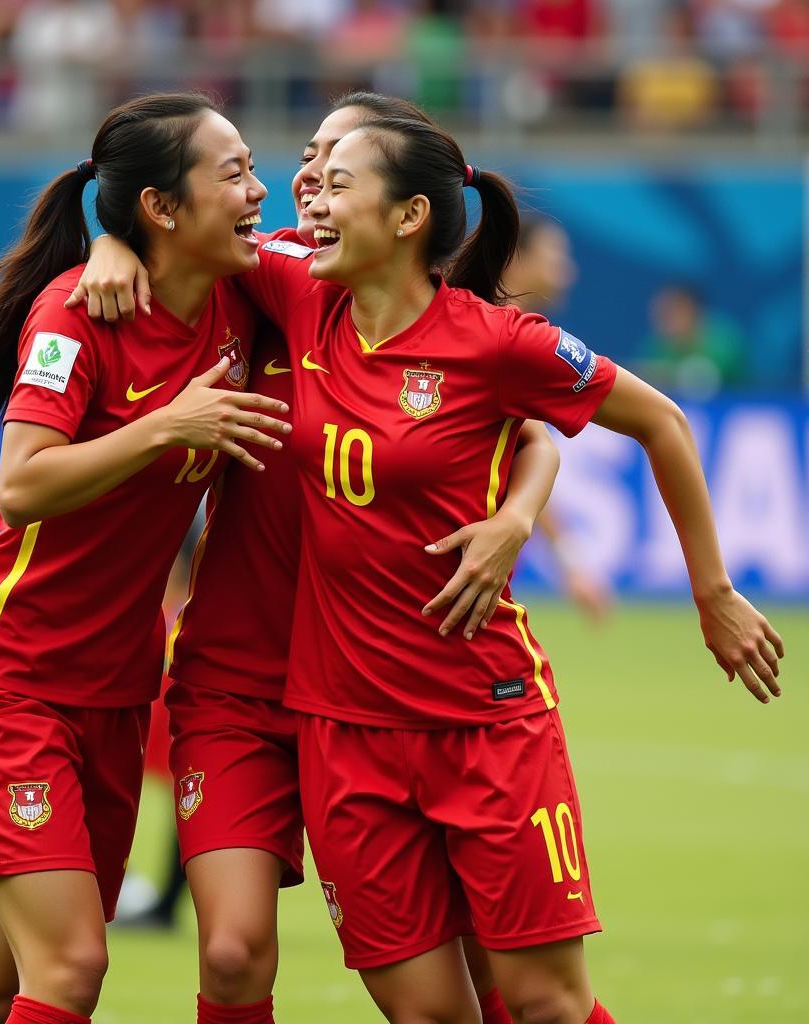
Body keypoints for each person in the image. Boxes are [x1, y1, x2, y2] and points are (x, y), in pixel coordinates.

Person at [232, 114, 783, 1024]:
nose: (313, 201)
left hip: (485, 723)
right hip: (344, 732)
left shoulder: (496, 342)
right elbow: (186, 230)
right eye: (314, 183)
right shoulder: (300, 293)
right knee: (426, 1013)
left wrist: (712, 592)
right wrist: (113, 254)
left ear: (410, 216)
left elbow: (664, 425)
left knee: (544, 1006)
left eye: (337, 185)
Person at [71, 92, 563, 1024]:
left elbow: (534, 428)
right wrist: (108, 242)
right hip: (246, 681)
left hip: (384, 692)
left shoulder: (419, 316)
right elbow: (149, 218)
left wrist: (520, 517)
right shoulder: (252, 283)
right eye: (306, 152)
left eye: (337, 157)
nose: (306, 171)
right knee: (229, 951)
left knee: (499, 985)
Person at [0, 93, 292, 1024]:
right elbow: (21, 485)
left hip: (114, 688)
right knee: (69, 971)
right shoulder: (75, 313)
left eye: (255, 168)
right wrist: (164, 425)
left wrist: (112, 234)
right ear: (162, 208)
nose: (262, 191)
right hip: (7, 674)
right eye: (234, 174)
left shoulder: (243, 293)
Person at [502, 214, 613, 621]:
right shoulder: (500, 339)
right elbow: (663, 422)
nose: (567, 272)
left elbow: (528, 452)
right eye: (555, 256)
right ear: (516, 258)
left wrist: (571, 565)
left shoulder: (520, 338)